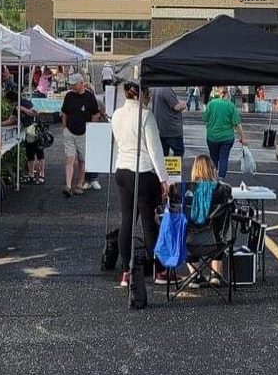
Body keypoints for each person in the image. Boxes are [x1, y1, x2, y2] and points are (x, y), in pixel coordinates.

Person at [111, 81, 169, 286]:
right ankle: (159, 271)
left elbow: (118, 141)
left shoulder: (117, 114)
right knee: (149, 224)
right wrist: (163, 179)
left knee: (127, 222)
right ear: (141, 94)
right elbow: (155, 151)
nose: (149, 96)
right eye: (148, 93)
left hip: (122, 170)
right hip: (143, 172)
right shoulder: (146, 116)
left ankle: (126, 271)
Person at [184, 154, 234, 286]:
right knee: (219, 228)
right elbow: (231, 210)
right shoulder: (223, 189)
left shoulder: (185, 190)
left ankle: (194, 275)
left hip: (191, 242)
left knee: (186, 231)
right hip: (216, 242)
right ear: (211, 169)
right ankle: (215, 275)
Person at [60, 73, 101, 196]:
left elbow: (96, 113)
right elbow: (64, 112)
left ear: (81, 83)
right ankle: (68, 186)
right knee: (70, 158)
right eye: (71, 84)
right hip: (70, 132)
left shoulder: (89, 97)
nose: (72, 86)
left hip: (84, 132)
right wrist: (64, 128)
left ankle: (79, 185)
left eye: (74, 84)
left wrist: (91, 127)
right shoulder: (69, 96)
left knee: (82, 160)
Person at [2, 89, 45, 184]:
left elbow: (34, 113)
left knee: (39, 152)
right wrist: (0, 123)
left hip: (36, 129)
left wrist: (22, 109)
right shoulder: (15, 108)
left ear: (11, 100)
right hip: (28, 132)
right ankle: (31, 175)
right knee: (30, 153)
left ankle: (42, 175)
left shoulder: (25, 103)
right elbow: (11, 120)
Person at [202, 87, 247, 179]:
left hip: (212, 136)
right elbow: (237, 124)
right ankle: (221, 178)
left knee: (213, 158)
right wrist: (243, 138)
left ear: (219, 93)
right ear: (228, 94)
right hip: (227, 138)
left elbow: (205, 118)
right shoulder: (231, 106)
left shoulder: (212, 103)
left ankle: (212, 177)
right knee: (224, 158)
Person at [151, 86, 186, 157]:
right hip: (171, 129)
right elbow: (176, 107)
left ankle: (165, 167)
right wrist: (184, 105)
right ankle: (175, 168)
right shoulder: (166, 89)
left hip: (160, 128)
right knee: (179, 151)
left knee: (164, 152)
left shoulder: (155, 88)